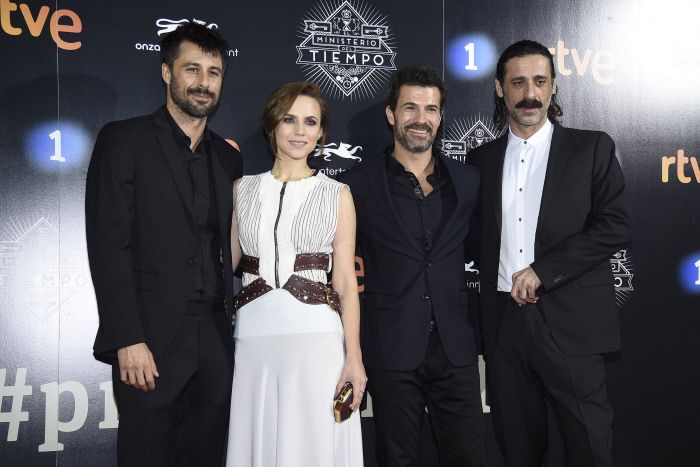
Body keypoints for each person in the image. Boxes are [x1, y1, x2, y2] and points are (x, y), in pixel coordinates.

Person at [468, 40, 631, 467]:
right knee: (517, 448)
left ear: (554, 87)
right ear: (500, 90)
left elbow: (615, 225)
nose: (530, 93)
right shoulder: (478, 161)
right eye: (518, 82)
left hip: (572, 324)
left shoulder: (591, 148)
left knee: (590, 448)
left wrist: (543, 270)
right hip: (504, 327)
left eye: (540, 81)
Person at [85, 22, 241, 466]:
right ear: (166, 72)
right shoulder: (124, 141)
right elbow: (108, 244)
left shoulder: (228, 158)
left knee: (207, 455)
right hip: (149, 337)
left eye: (213, 72)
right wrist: (127, 338)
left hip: (214, 335)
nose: (203, 82)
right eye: (192, 69)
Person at [338, 66, 484, 467]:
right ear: (391, 114)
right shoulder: (357, 184)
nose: (421, 120)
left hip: (454, 347)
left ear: (440, 117)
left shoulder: (469, 181)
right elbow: (343, 273)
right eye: (410, 108)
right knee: (396, 458)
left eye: (431, 109)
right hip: (391, 344)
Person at [226, 82, 365, 466]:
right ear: (273, 125)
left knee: (314, 445)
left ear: (321, 132)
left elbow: (345, 285)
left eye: (310, 122)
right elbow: (226, 267)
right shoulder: (242, 190)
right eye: (290, 119)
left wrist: (353, 357)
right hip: (254, 338)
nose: (300, 131)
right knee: (260, 441)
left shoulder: (337, 193)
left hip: (317, 339)